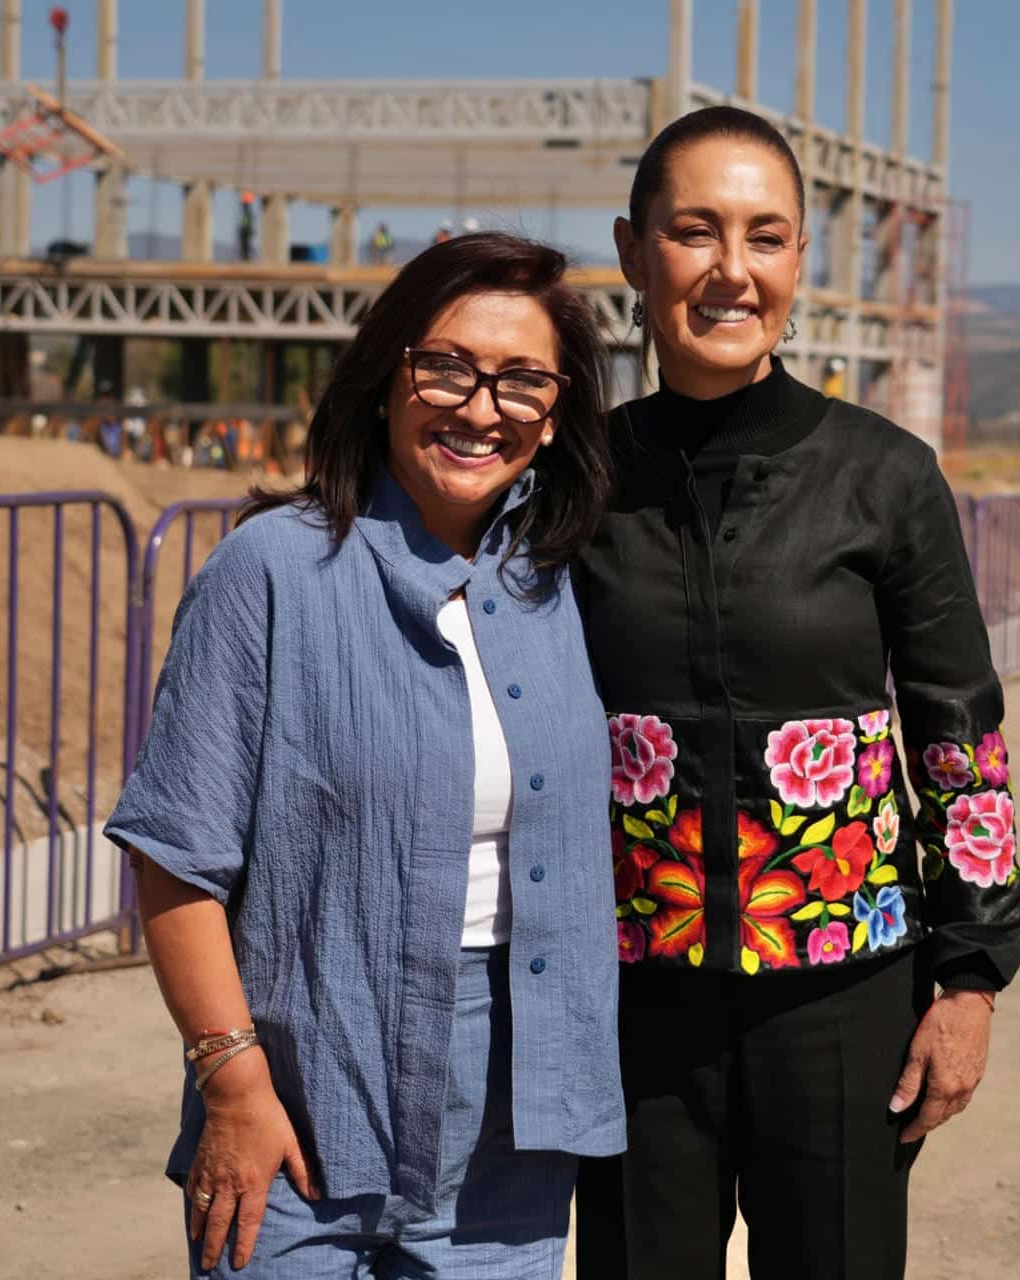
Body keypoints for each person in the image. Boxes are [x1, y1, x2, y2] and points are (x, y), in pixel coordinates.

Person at [105, 232, 623, 1279]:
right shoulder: (273, 571)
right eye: (446, 367)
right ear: (385, 375)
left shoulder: (568, 584)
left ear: (558, 412)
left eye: (522, 380)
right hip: (305, 1092)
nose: (481, 408)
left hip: (513, 1118)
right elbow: (175, 854)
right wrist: (233, 1082)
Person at [571, 106, 1020, 1280]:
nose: (733, 269)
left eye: (766, 237)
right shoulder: (577, 481)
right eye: (696, 231)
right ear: (635, 254)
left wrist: (969, 979)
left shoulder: (885, 477)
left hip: (843, 1002)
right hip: (637, 1008)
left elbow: (958, 739)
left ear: (797, 264)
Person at [239, 191, 257, 263]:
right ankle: (245, 258)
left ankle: (245, 258)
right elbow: (245, 221)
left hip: (245, 231)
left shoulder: (247, 212)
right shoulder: (247, 212)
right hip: (245, 230)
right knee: (245, 246)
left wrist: (247, 228)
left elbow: (246, 222)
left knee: (245, 246)